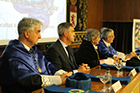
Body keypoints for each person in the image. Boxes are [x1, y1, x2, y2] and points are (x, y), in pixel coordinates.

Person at [0, 18, 72, 93]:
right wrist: (59, 79)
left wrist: (64, 74)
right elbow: (28, 80)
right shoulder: (13, 54)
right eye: (37, 32)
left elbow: (48, 66)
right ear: (27, 34)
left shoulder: (33, 50)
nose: (40, 36)